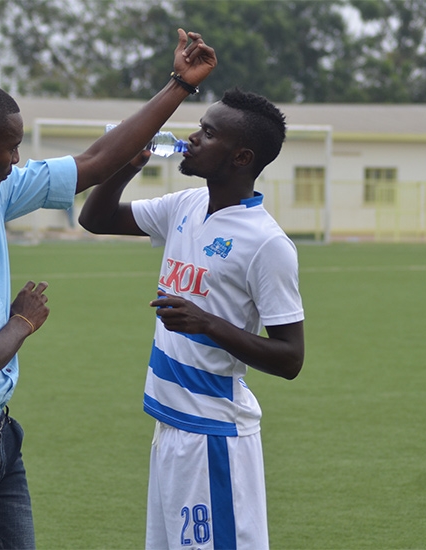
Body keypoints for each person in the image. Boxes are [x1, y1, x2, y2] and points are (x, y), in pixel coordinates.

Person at [0, 29, 216, 549]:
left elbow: (95, 161)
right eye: (10, 149)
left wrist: (178, 87)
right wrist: (23, 321)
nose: (16, 161)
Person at [78, 88, 305, 550]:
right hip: (170, 426)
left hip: (213, 436)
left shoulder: (267, 243)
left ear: (241, 157)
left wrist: (208, 324)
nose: (191, 138)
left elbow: (290, 358)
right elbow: (96, 219)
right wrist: (125, 166)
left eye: (208, 132)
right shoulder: (184, 205)